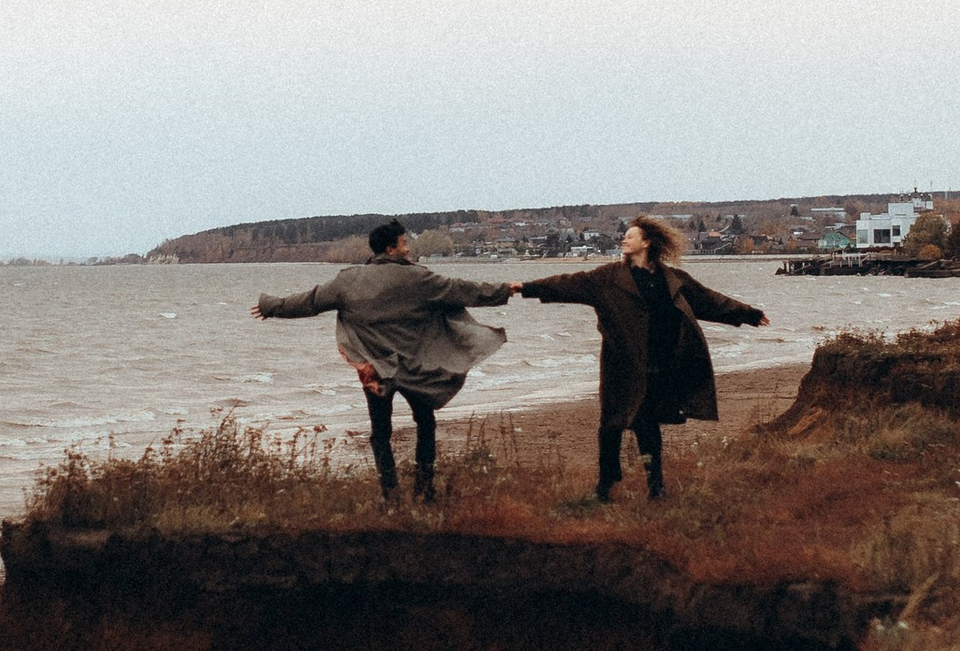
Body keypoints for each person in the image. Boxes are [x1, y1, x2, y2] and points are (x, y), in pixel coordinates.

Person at [253, 221, 518, 504]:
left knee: (380, 432)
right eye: (404, 243)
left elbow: (309, 302)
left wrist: (271, 307)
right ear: (390, 248)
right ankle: (425, 490)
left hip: (376, 371)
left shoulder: (349, 280)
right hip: (417, 369)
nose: (408, 248)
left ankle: (390, 495)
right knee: (425, 424)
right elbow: (464, 290)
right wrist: (505, 289)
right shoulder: (419, 279)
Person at [518, 215, 768, 501]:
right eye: (624, 236)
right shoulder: (608, 279)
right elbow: (567, 284)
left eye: (631, 235)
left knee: (647, 424)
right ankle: (606, 483)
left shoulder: (673, 280)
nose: (624, 239)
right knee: (611, 424)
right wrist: (527, 288)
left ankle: (655, 486)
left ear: (646, 242)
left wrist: (748, 314)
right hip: (621, 365)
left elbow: (709, 300)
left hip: (660, 364)